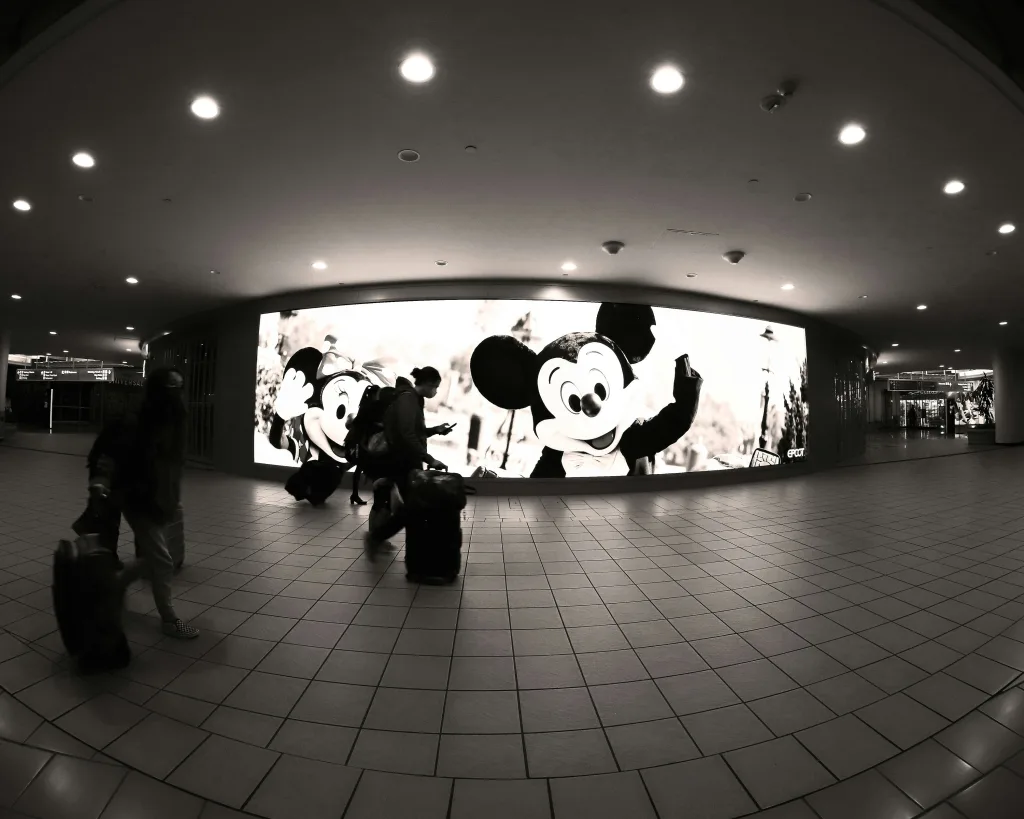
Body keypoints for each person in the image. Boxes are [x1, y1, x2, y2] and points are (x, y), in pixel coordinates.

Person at [87, 367, 198, 639]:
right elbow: (110, 453)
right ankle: (169, 620)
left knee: (152, 557)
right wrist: (101, 480)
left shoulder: (174, 422)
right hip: (139, 498)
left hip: (162, 499)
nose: (175, 393)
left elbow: (171, 465)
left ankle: (116, 584)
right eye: (170, 387)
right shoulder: (138, 422)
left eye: (178, 386)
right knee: (161, 560)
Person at [364, 366, 454, 555]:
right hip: (403, 460)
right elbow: (406, 434)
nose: (436, 392)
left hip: (404, 459)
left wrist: (435, 430)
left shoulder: (414, 399)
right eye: (435, 387)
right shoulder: (408, 400)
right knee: (413, 506)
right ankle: (377, 537)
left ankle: (380, 538)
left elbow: (414, 432)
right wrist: (430, 459)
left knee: (410, 505)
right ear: (428, 384)